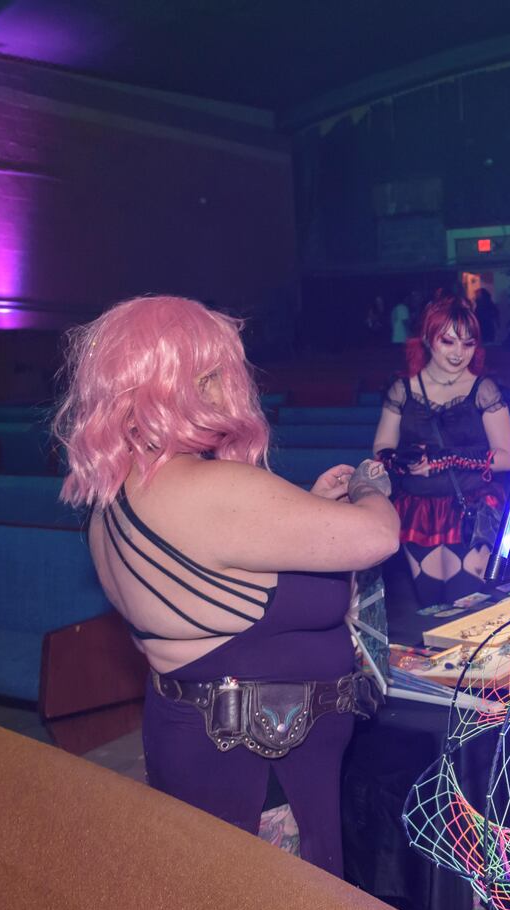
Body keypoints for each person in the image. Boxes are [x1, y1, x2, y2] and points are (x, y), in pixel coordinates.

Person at [54, 296, 400, 876]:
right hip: (260, 761)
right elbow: (377, 537)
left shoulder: (112, 496)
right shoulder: (206, 486)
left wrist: (309, 510)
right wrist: (372, 485)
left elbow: (212, 579)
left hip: (196, 739)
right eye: (212, 376)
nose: (225, 389)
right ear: (178, 385)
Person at [372, 296, 510, 604]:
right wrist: (403, 461)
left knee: (469, 611)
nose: (458, 353)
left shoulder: (484, 389)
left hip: (470, 509)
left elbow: (507, 457)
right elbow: (381, 448)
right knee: (430, 612)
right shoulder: (403, 389)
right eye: (448, 341)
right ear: (427, 338)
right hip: (417, 511)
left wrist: (445, 460)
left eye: (467, 344)